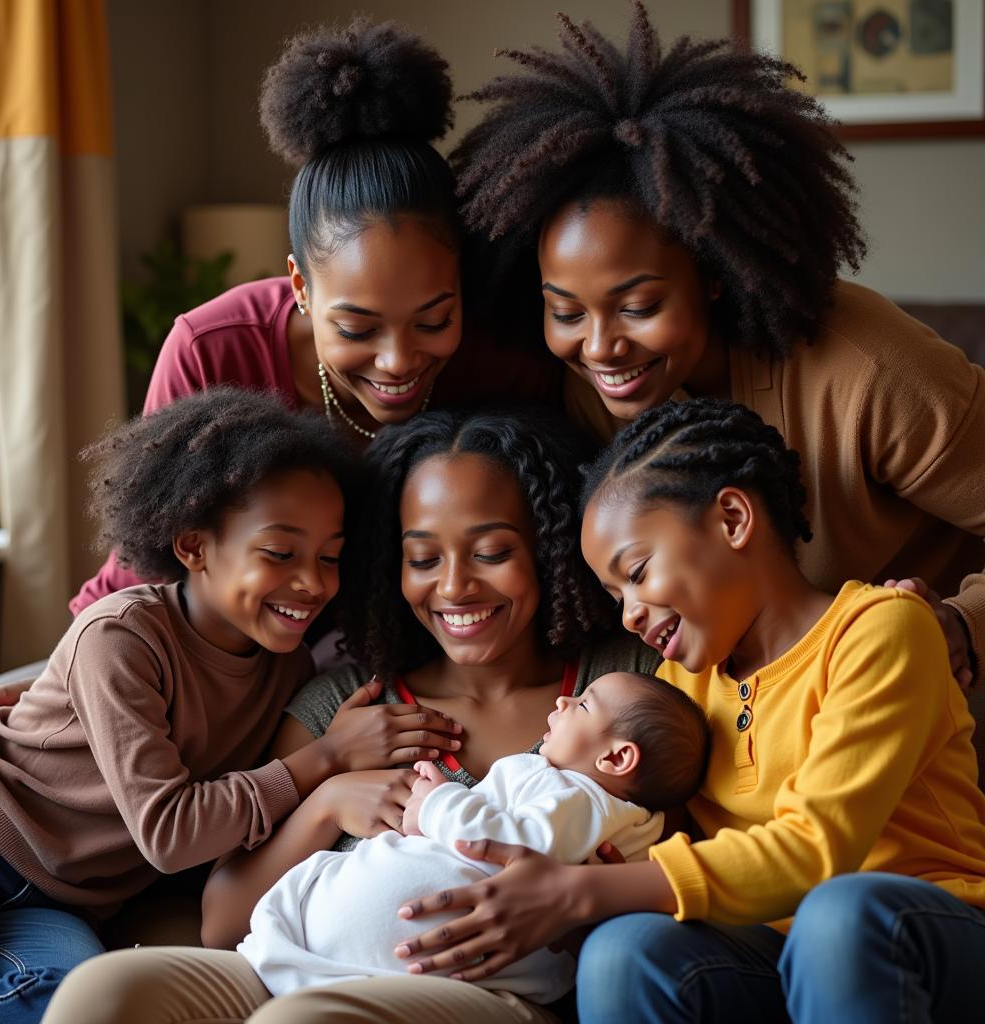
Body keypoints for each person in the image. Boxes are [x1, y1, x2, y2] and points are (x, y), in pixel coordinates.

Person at [40, 409, 658, 1024]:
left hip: (488, 990)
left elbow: (679, 855)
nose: (455, 586)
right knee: (104, 993)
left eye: (492, 551)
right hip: (289, 964)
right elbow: (222, 921)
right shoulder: (344, 706)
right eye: (422, 560)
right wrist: (328, 802)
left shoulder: (623, 686)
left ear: (547, 546)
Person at [388, 398, 985, 1024]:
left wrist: (583, 891)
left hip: (923, 930)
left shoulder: (879, 630)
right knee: (625, 951)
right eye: (615, 596)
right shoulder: (680, 686)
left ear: (731, 518)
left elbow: (816, 851)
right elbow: (653, 847)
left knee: (838, 916)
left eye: (638, 572)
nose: (629, 614)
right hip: (769, 948)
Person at [450, 2, 985, 689]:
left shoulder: (870, 372)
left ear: (712, 276)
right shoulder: (588, 395)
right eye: (566, 312)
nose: (601, 347)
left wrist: (965, 624)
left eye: (638, 306)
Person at [66, 16, 559, 620]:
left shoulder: (502, 353)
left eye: (434, 321)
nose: (399, 361)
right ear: (300, 285)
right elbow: (148, 557)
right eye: (357, 329)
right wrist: (58, 677)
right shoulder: (212, 349)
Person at [0, 387, 357, 1023]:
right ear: (194, 547)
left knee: (60, 1003)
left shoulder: (290, 672)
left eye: (329, 557)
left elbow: (230, 828)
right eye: (281, 553)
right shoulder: (121, 636)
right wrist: (328, 757)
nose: (312, 582)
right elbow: (171, 835)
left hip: (56, 899)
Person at [239, 671, 706, 1006]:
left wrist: (438, 802)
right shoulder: (563, 787)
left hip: (408, 982)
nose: (563, 704)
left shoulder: (585, 800)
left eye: (582, 705)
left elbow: (519, 846)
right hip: (313, 951)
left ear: (617, 758)